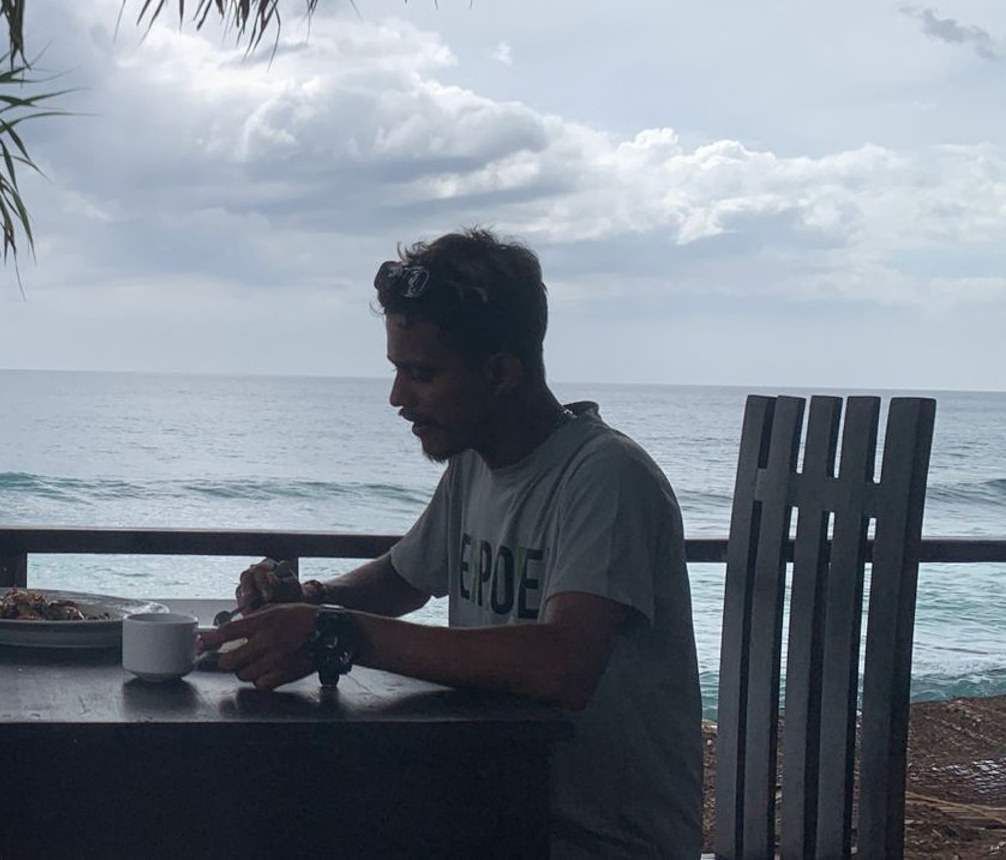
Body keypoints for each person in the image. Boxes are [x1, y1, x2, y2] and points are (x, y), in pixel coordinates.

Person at [200, 229, 703, 859]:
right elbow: (401, 579)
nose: (397, 397)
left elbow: (563, 665)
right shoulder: (476, 464)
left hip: (593, 840)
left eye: (421, 374)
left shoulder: (604, 477)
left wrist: (335, 633)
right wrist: (306, 600)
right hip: (496, 803)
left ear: (500, 372)